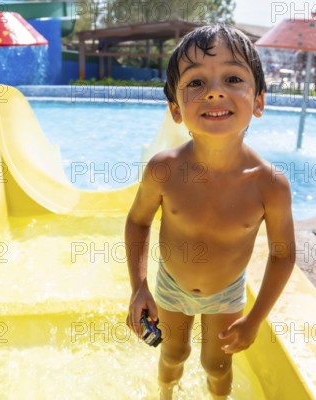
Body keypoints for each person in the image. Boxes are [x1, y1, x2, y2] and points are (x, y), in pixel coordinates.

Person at [125, 24, 295, 399]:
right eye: (196, 83)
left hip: (227, 292)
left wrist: (254, 319)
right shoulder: (164, 169)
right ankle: (165, 393)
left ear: (260, 101)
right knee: (173, 354)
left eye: (233, 78)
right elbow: (138, 221)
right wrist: (139, 287)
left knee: (217, 366)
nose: (215, 90)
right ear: (175, 109)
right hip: (171, 284)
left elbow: (283, 256)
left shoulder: (270, 184)